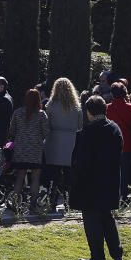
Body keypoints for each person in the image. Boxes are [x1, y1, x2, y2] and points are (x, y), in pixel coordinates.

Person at [70, 96, 124, 260]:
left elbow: (81, 162)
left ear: (89, 112)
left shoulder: (88, 133)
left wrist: (74, 180)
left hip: (91, 184)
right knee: (107, 219)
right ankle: (117, 254)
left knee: (92, 222)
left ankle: (98, 257)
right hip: (109, 181)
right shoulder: (115, 128)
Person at [8, 89, 50, 211]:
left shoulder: (17, 113)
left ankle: (15, 203)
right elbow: (46, 132)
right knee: (35, 177)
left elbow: (11, 131)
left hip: (20, 150)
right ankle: (33, 204)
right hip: (35, 150)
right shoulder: (41, 114)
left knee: (20, 176)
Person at [44, 78, 83, 209]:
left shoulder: (51, 105)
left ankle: (52, 202)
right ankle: (69, 203)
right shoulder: (76, 106)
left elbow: (46, 124)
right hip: (71, 141)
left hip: (54, 140)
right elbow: (80, 125)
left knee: (54, 175)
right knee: (68, 175)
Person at [105, 82, 131, 199]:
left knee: (111, 171)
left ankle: (112, 195)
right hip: (128, 144)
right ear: (125, 93)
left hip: (111, 145)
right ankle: (123, 196)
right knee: (125, 172)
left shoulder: (107, 108)